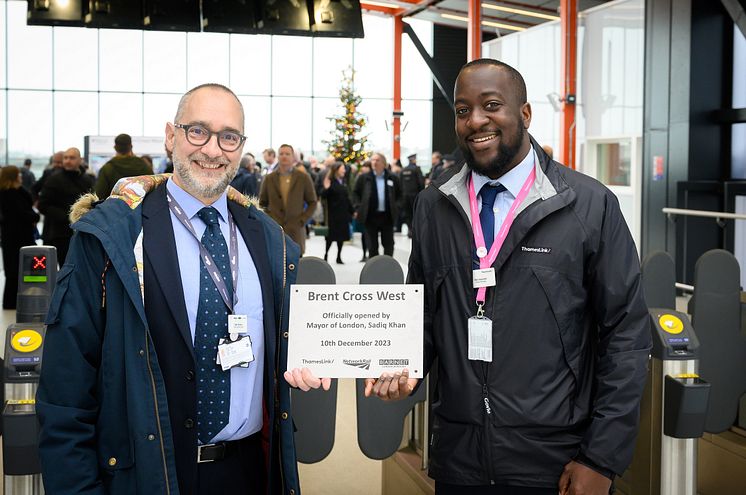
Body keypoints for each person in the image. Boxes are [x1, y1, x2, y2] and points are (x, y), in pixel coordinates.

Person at [365, 59, 651, 495]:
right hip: (459, 461)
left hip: (556, 462)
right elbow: (423, 316)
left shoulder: (589, 206)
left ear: (525, 114)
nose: (475, 120)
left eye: (491, 105)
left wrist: (601, 457)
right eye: (463, 110)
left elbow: (626, 337)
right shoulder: (433, 206)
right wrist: (403, 368)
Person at [37, 83, 323, 495]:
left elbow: (285, 347)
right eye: (198, 131)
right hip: (149, 474)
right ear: (172, 136)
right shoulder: (112, 239)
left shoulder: (270, 243)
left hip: (247, 473)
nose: (212, 149)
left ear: (241, 146)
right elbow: (65, 393)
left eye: (229, 137)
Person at [37, 147, 95, 264]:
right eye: (65, 158)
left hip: (83, 231)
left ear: (80, 160)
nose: (68, 161)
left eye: (72, 158)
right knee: (64, 266)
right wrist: (66, 216)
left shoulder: (87, 179)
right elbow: (43, 204)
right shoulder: (54, 179)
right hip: (61, 233)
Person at [258, 144, 318, 255]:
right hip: (275, 230)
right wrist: (269, 220)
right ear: (278, 156)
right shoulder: (269, 179)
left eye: (287, 154)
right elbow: (262, 203)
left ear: (293, 157)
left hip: (296, 230)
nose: (284, 156)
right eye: (281, 154)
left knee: (296, 265)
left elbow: (312, 202)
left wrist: (303, 220)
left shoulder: (303, 177)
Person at [0, 166, 39, 309]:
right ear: (13, 176)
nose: (21, 176)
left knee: (19, 269)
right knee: (14, 270)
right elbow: (22, 214)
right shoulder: (9, 194)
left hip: (19, 236)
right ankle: (11, 302)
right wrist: (35, 216)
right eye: (18, 174)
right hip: (15, 238)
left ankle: (17, 301)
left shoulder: (16, 192)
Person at [353, 152, 401, 257]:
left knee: (388, 244)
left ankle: (388, 266)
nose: (374, 162)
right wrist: (358, 208)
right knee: (372, 246)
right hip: (370, 216)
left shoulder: (392, 177)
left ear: (384, 163)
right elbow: (355, 193)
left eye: (377, 160)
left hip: (387, 216)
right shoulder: (364, 178)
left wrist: (397, 207)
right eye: (373, 160)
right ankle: (374, 269)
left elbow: (400, 194)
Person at [95, 133, 154, 199]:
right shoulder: (144, 166)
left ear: (115, 148)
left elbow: (99, 195)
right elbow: (153, 190)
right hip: (141, 208)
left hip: (114, 208)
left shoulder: (107, 169)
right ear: (131, 146)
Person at [320, 162, 354, 264]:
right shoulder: (330, 181)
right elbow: (323, 196)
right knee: (330, 237)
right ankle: (326, 255)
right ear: (336, 170)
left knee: (341, 237)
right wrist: (327, 188)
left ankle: (339, 256)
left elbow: (347, 199)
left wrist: (352, 211)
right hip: (333, 215)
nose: (344, 170)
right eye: (342, 168)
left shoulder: (343, 182)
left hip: (343, 214)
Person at [400, 153, 425, 238]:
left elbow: (400, 183)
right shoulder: (417, 169)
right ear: (414, 160)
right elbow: (421, 182)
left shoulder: (403, 170)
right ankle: (415, 231)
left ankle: (410, 230)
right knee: (416, 213)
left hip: (405, 195)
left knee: (407, 213)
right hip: (415, 195)